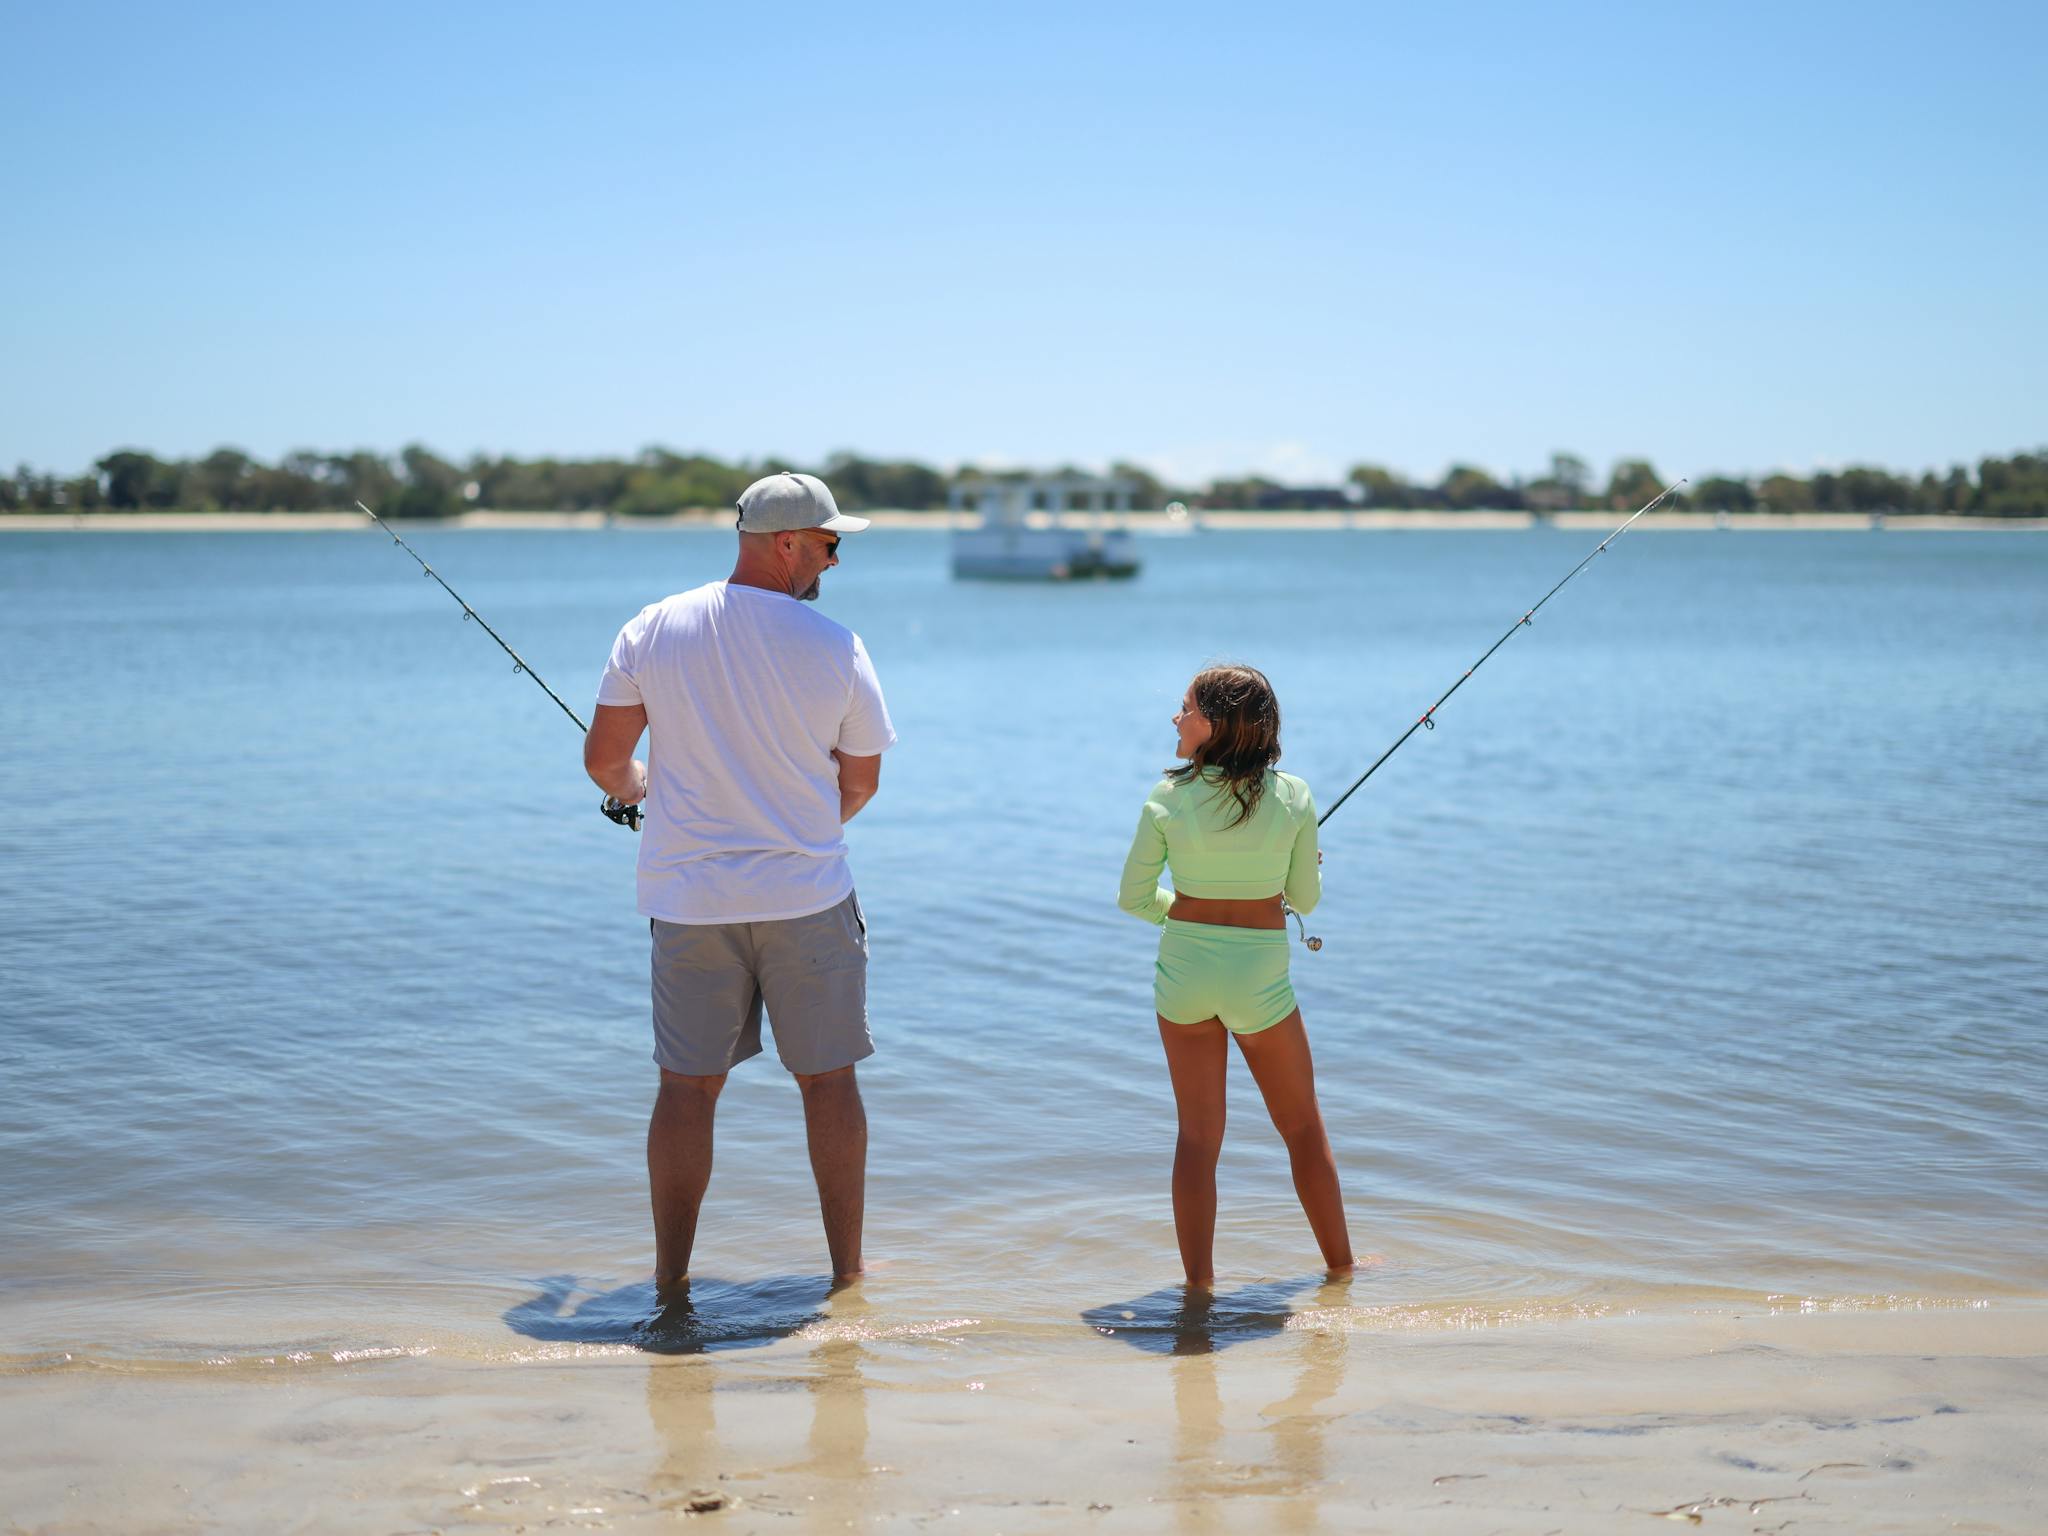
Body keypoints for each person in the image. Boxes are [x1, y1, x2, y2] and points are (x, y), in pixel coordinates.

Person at [583, 471, 896, 1297]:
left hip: (689, 905)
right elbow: (860, 783)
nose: (834, 563)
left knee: (687, 1090)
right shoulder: (836, 646)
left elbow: (605, 763)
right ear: (788, 543)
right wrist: (797, 825)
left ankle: (670, 1282)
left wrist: (640, 789)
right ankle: (847, 1276)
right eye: (830, 546)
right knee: (828, 1083)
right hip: (808, 898)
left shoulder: (653, 627)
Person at [1118, 664, 1354, 1289]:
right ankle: (1341, 1271)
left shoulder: (1166, 799)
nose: (1176, 717)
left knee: (1198, 1138)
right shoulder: (1296, 796)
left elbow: (1134, 898)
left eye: (1186, 708)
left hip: (1185, 974)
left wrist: (1187, 918)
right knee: (1302, 1127)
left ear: (1216, 725)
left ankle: (1198, 1287)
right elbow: (1304, 898)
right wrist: (1307, 863)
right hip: (1259, 979)